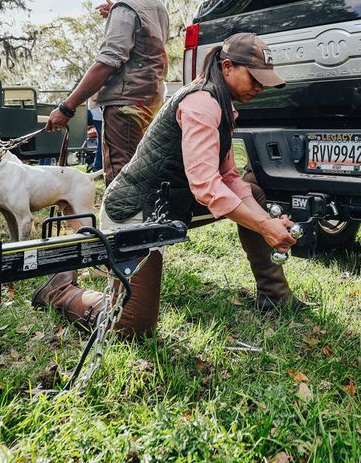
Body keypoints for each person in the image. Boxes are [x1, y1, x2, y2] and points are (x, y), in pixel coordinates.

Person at [33, 33, 307, 335]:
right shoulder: (201, 103)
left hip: (174, 205)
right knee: (131, 325)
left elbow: (228, 176)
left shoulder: (224, 106)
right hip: (137, 211)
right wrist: (264, 226)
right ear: (228, 67)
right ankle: (59, 290)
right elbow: (205, 185)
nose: (260, 87)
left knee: (252, 193)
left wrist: (264, 220)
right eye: (255, 78)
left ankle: (275, 297)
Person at [46, 0, 169, 185]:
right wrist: (117, 10)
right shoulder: (156, 6)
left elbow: (106, 64)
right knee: (142, 174)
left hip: (124, 107)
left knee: (122, 181)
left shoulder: (127, 8)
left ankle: (123, 224)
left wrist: (67, 108)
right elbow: (145, 45)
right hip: (149, 104)